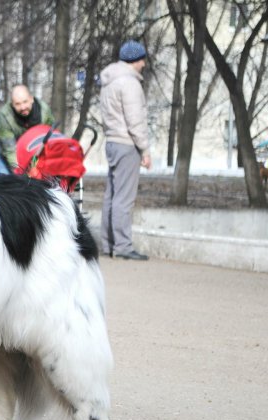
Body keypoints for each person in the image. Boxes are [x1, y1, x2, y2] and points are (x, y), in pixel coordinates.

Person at [99, 39, 151, 261]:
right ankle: (123, 246)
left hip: (111, 140)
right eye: (142, 60)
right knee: (124, 198)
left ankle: (108, 244)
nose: (144, 65)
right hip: (127, 143)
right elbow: (135, 120)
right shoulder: (129, 83)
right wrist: (145, 149)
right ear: (136, 60)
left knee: (111, 196)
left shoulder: (109, 81)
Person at [0, 84, 55, 173]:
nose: (23, 107)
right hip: (10, 157)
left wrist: (36, 165)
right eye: (18, 104)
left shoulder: (44, 111)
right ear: (12, 104)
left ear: (31, 99)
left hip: (35, 155)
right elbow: (10, 149)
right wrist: (19, 171)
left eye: (25, 102)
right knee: (3, 183)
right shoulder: (4, 116)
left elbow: (49, 139)